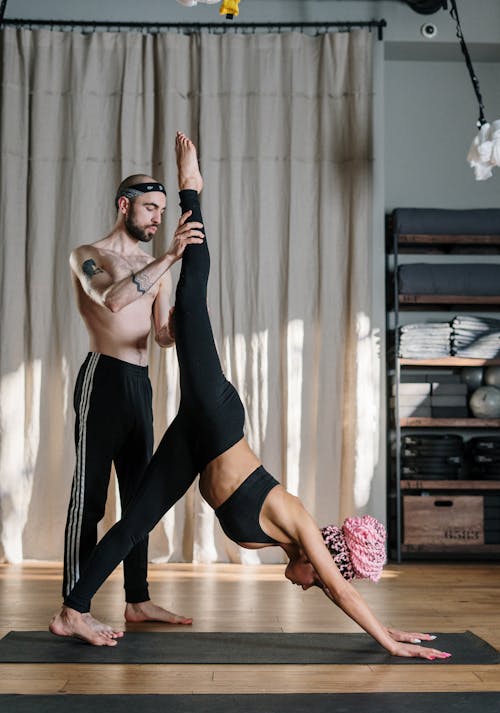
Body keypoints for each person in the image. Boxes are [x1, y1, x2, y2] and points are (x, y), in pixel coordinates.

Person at [51, 133, 451, 661]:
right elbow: (343, 588)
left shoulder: (299, 546)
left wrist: (389, 629)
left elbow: (337, 589)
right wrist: (389, 641)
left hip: (194, 440)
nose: (309, 586)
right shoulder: (301, 522)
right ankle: (194, 187)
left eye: (165, 206)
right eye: (317, 578)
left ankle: (72, 610)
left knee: (134, 522)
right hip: (214, 416)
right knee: (194, 290)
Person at [62, 166, 205, 637]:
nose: (157, 219)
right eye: (150, 208)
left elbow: (160, 335)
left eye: (163, 212)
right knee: (90, 499)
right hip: (101, 378)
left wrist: (184, 321)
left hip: (139, 386)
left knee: (140, 498)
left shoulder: (155, 267)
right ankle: (72, 609)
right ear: (124, 205)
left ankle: (137, 600)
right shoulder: (89, 256)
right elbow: (114, 301)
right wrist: (170, 256)